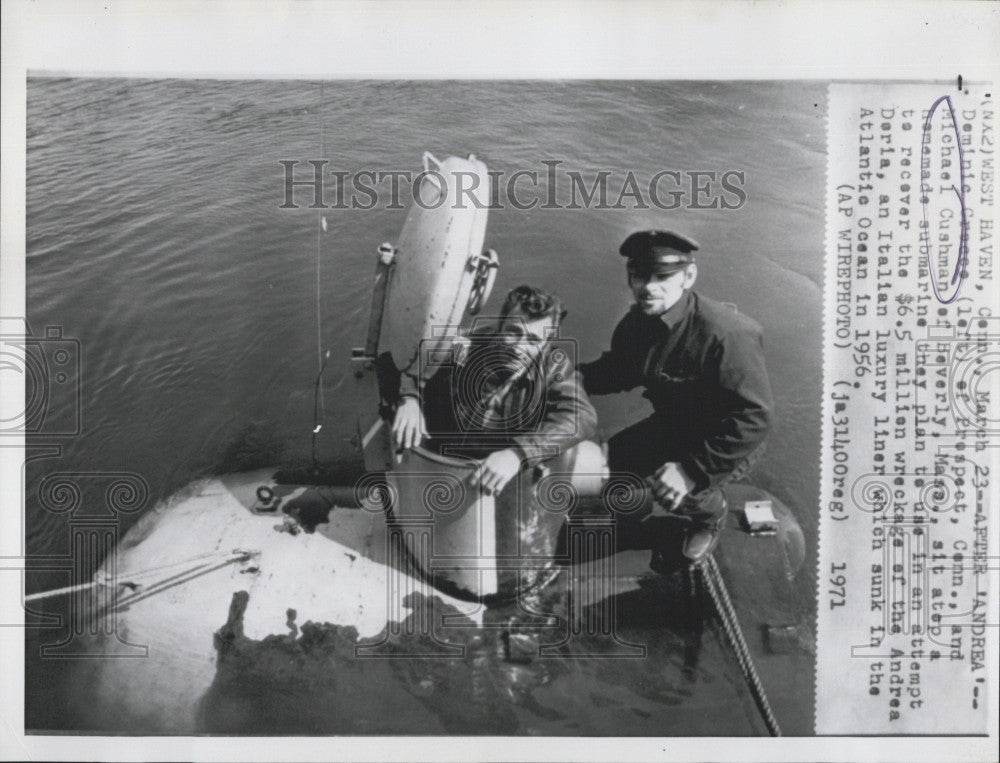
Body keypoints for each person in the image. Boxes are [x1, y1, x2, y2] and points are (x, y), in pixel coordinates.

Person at [579, 230, 773, 564]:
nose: (648, 287)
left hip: (726, 440)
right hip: (674, 424)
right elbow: (619, 371)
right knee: (609, 466)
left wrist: (691, 472)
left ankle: (710, 516)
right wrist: (569, 379)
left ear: (689, 276)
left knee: (670, 490)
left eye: (663, 276)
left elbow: (755, 419)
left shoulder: (727, 334)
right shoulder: (636, 323)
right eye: (639, 276)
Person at [392, 284, 599, 496]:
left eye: (533, 340)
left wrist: (518, 454)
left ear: (547, 342)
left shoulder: (556, 367)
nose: (519, 347)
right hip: (444, 460)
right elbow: (408, 364)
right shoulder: (465, 345)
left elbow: (582, 416)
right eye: (513, 332)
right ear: (500, 325)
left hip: (502, 474)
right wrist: (409, 398)